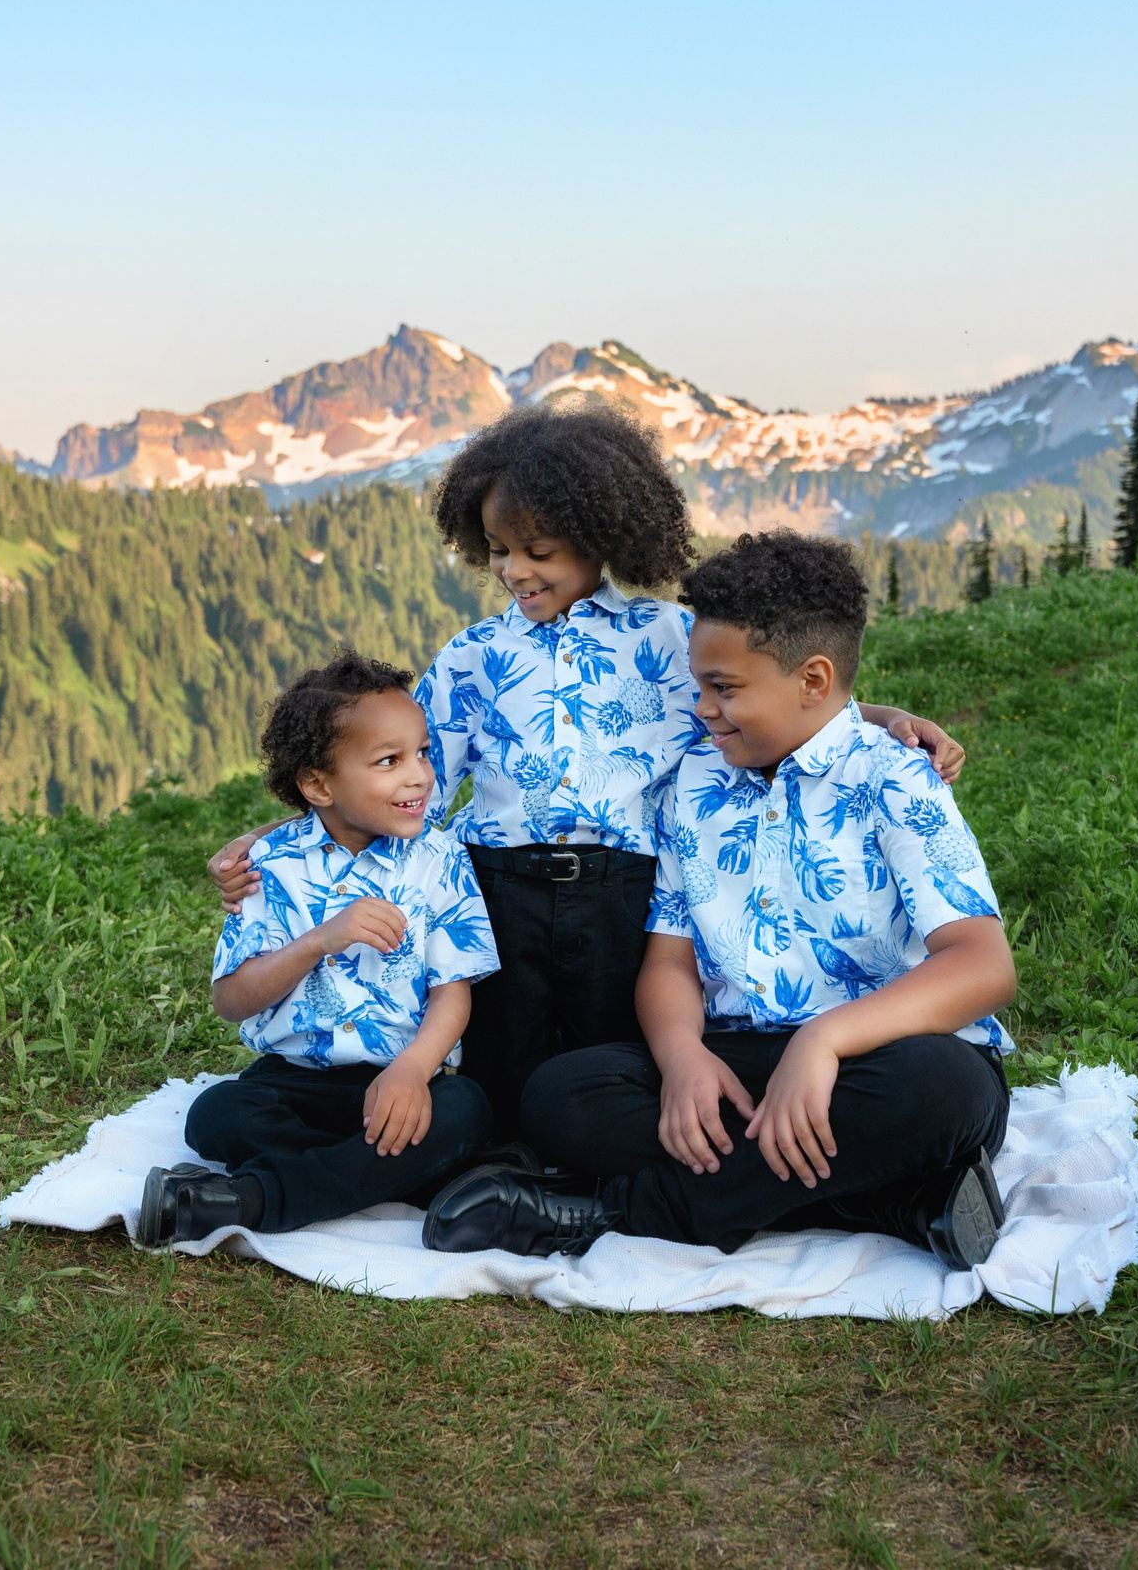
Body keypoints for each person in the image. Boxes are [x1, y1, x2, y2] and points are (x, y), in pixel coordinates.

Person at [206, 395, 966, 1142]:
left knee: (616, 1053)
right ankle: (495, 1163)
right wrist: (276, 837)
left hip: (625, 894)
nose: (513, 569)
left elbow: (766, 697)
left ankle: (603, 1167)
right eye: (498, 548)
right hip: (498, 887)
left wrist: (882, 717)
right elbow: (394, 778)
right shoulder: (474, 655)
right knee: (501, 1077)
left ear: (603, 536)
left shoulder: (667, 635)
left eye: (538, 551)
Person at [422, 531, 1016, 1269]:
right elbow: (669, 960)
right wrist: (681, 1059)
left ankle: (617, 1210)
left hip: (882, 1058)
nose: (701, 708)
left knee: (945, 1091)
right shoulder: (697, 782)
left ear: (813, 679)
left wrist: (823, 1041)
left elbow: (983, 965)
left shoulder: (895, 776)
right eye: (699, 687)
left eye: (724, 689)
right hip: (743, 1060)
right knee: (561, 1095)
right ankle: (894, 1199)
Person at [138, 651, 497, 1244]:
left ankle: (249, 1199)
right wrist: (319, 940)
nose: (419, 776)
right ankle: (389, 1174)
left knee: (466, 1109)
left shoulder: (441, 860)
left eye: (422, 753)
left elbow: (452, 996)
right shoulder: (268, 865)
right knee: (215, 1114)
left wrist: (412, 1071)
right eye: (389, 761)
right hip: (293, 1080)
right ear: (317, 785)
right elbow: (231, 1001)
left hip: (402, 1076)